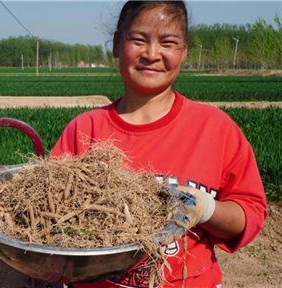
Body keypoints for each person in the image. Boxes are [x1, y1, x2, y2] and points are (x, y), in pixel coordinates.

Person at [51, 1, 267, 287]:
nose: (152, 54)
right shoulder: (85, 129)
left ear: (184, 51)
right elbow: (48, 216)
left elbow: (249, 215)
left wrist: (207, 209)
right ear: (117, 45)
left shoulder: (215, 128)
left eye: (168, 42)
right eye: (138, 40)